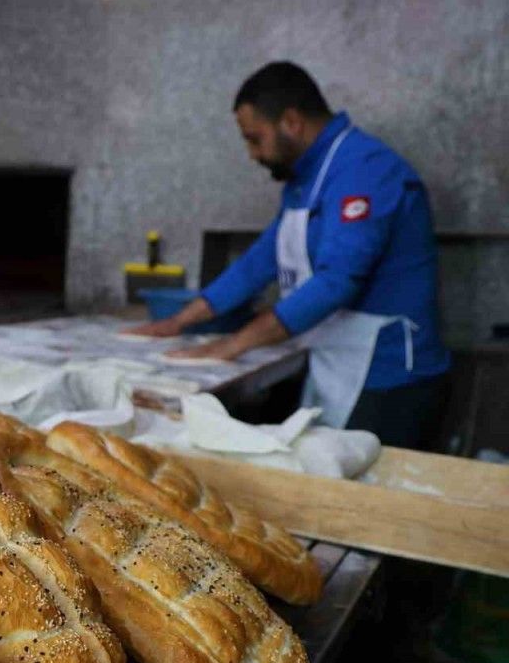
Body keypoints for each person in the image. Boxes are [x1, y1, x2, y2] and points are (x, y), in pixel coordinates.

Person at [126, 62, 450, 449]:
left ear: (291, 122)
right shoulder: (304, 180)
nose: (252, 154)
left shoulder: (365, 171)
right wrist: (179, 322)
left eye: (255, 139)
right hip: (335, 362)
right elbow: (260, 261)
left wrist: (234, 344)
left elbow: (338, 281)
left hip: (390, 378)